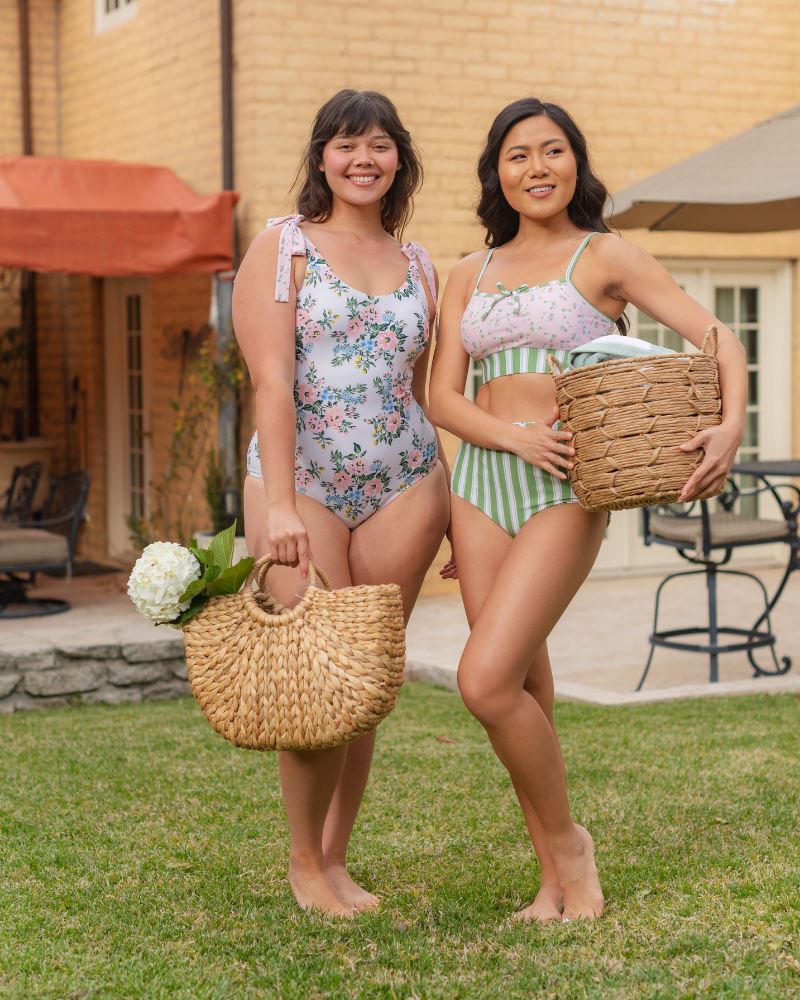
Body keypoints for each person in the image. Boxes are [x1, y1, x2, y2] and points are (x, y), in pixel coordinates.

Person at [429, 97, 747, 923]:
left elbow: (721, 339)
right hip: (481, 490)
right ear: (496, 173)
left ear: (576, 163)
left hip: (569, 486)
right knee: (523, 684)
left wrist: (730, 428)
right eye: (518, 156)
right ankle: (554, 881)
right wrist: (508, 435)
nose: (536, 168)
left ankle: (571, 843)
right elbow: (439, 395)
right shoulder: (471, 270)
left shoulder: (605, 255)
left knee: (484, 681)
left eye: (553, 151)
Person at [233, 89, 450, 917]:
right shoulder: (283, 247)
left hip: (405, 480)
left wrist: (459, 512)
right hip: (304, 483)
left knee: (363, 680)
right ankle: (301, 862)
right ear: (322, 155)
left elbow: (431, 394)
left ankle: (335, 857)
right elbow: (272, 382)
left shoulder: (422, 263)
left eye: (381, 145)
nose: (365, 158)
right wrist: (281, 504)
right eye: (347, 144)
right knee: (316, 672)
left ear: (400, 159)